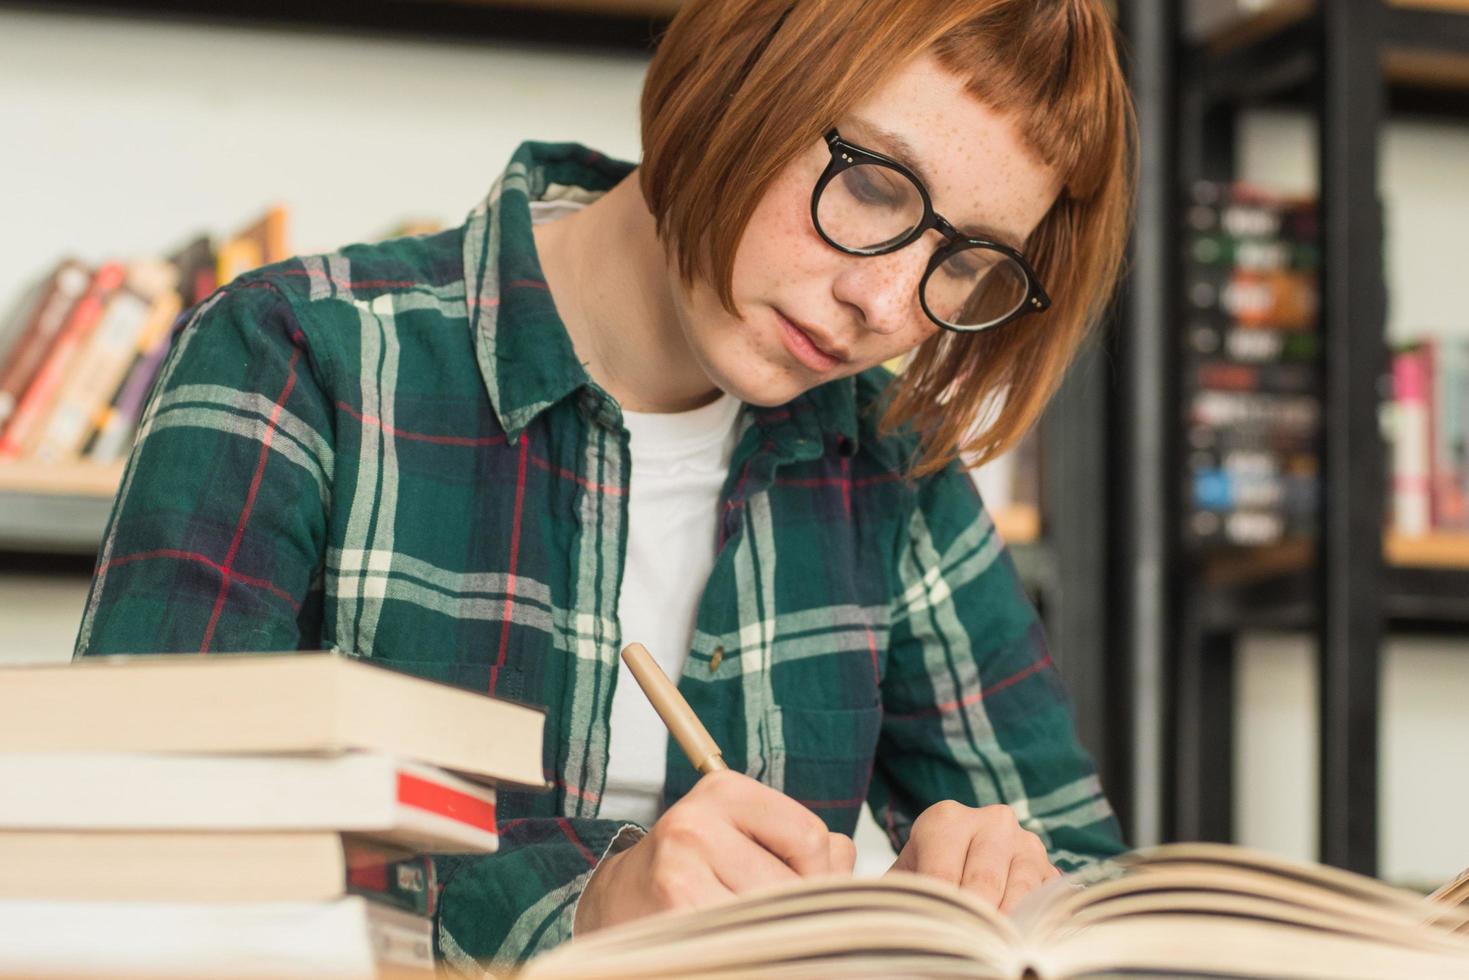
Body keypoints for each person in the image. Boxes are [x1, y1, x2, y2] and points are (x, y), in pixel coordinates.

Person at [74, 0, 1136, 971]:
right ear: (737, 74)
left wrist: (997, 891)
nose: (885, 304)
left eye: (969, 263)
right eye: (868, 186)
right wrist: (577, 920)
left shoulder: (890, 468)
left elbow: (1086, 877)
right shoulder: (300, 355)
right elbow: (137, 843)